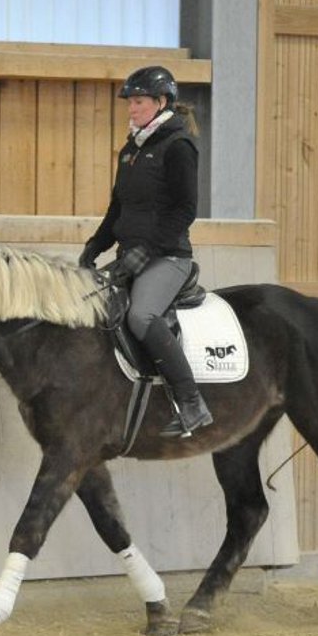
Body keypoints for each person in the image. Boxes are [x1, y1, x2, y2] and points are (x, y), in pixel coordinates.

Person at [79, 65, 213, 437]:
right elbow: (118, 208)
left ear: (161, 102)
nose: (131, 109)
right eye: (130, 102)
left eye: (138, 102)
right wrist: (96, 245)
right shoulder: (130, 150)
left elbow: (185, 210)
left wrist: (147, 252)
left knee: (140, 315)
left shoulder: (179, 146)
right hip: (130, 253)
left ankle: (191, 404)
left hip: (169, 256)